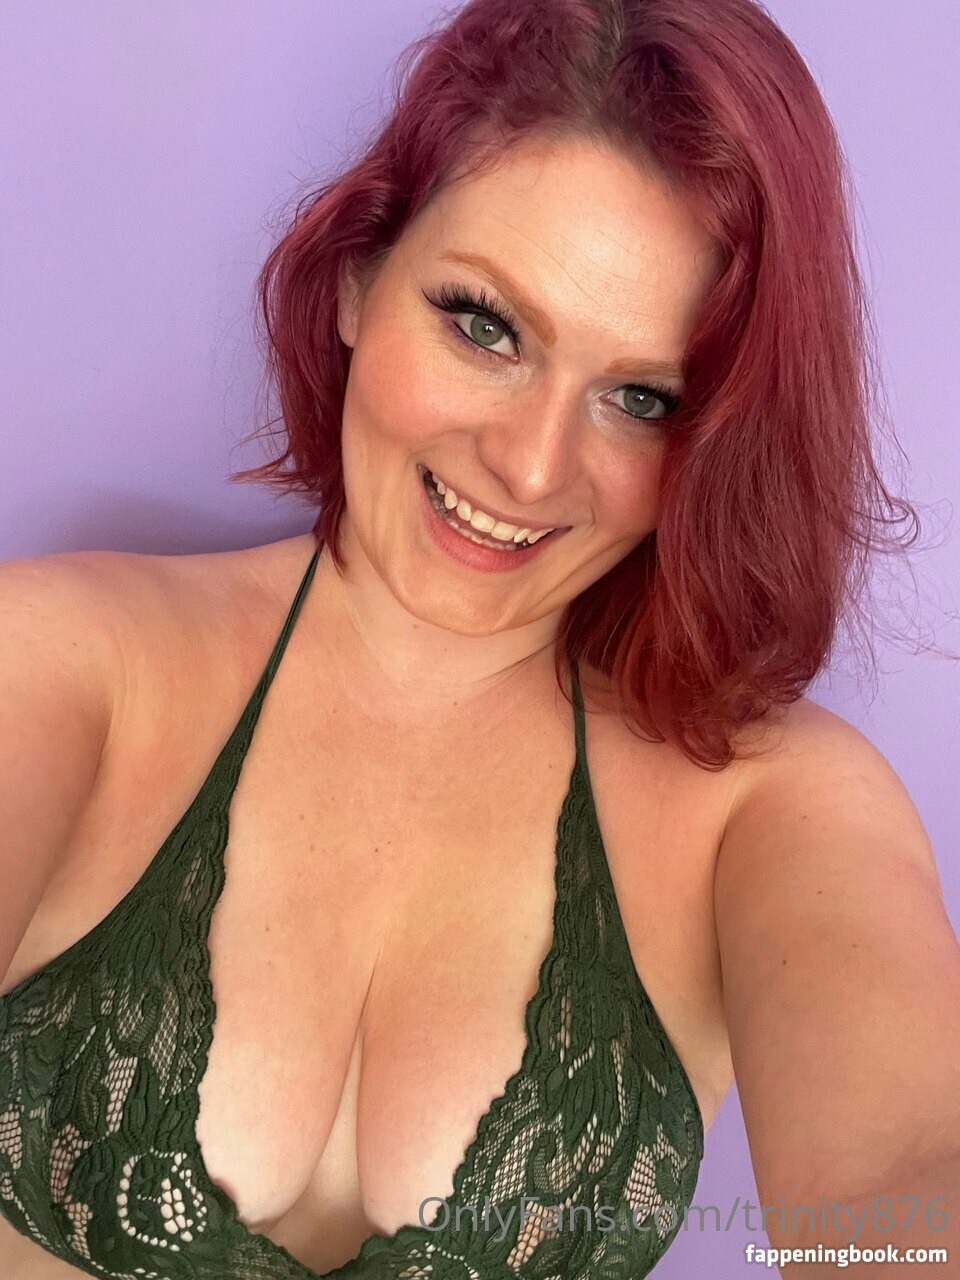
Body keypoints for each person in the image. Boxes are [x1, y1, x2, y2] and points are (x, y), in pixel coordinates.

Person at [2, 0, 959, 1277]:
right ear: (358, 276)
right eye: (484, 324)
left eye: (641, 397)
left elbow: (903, 1173)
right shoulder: (65, 661)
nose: (531, 465)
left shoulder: (769, 806)